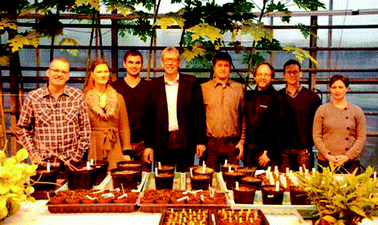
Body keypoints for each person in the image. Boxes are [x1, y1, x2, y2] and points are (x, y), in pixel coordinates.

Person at [16, 58, 91, 168]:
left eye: (63, 72)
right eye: (56, 70)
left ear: (68, 76)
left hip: (71, 164)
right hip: (43, 164)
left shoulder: (77, 96)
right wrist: (34, 155)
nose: (59, 74)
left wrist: (77, 157)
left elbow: (85, 128)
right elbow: (22, 128)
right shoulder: (34, 97)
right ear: (48, 72)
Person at [147, 47, 206, 172]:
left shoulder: (191, 83)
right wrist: (149, 146)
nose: (170, 63)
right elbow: (150, 119)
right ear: (162, 63)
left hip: (185, 141)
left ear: (179, 62)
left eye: (173, 60)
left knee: (185, 179)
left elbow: (199, 114)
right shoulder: (153, 86)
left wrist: (200, 142)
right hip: (162, 142)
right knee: (164, 180)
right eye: (167, 60)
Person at [82, 59, 132, 170]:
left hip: (114, 145)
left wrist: (126, 151)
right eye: (99, 72)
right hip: (93, 147)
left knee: (115, 181)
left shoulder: (118, 98)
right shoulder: (84, 98)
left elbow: (124, 126)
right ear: (92, 74)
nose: (103, 75)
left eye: (105, 72)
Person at [313, 74, 366, 174]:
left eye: (340, 87)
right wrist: (328, 155)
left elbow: (361, 138)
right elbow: (316, 136)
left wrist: (347, 156)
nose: (337, 90)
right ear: (330, 89)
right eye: (334, 87)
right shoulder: (322, 110)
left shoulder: (357, 111)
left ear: (347, 89)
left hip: (350, 163)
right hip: (326, 162)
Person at [201, 52, 245, 171]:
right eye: (220, 65)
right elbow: (198, 118)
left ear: (230, 68)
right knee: (209, 182)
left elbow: (243, 117)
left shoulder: (239, 89)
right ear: (214, 67)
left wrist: (242, 141)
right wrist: (199, 142)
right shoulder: (204, 88)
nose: (223, 68)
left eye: (226, 65)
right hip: (210, 144)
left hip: (232, 144)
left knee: (232, 182)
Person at [113, 50, 153, 170]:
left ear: (142, 65)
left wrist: (149, 146)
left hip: (143, 144)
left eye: (137, 62)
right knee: (122, 181)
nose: (134, 66)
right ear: (124, 64)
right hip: (120, 143)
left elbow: (153, 118)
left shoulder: (149, 87)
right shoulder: (115, 87)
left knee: (145, 181)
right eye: (130, 62)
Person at [279, 59, 321, 171]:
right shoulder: (278, 97)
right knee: (284, 182)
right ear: (284, 75)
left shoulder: (312, 97)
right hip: (283, 150)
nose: (292, 75)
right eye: (289, 72)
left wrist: (310, 144)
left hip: (304, 149)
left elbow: (317, 124)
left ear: (300, 73)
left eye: (295, 72)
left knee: (304, 183)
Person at [244, 62, 286, 170]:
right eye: (260, 74)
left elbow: (281, 129)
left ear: (271, 77)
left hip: (268, 156)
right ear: (255, 77)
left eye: (266, 75)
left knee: (268, 184)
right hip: (249, 154)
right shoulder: (248, 97)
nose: (263, 77)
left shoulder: (278, 99)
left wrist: (270, 154)